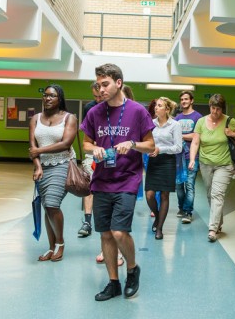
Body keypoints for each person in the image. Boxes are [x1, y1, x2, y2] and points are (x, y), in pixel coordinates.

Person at [81, 63, 155, 301]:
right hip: (102, 180)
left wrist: (132, 144)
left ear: (118, 83)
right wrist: (97, 150)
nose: (100, 89)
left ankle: (132, 269)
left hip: (127, 179)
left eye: (105, 84)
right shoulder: (94, 112)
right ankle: (113, 282)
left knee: (119, 231)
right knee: (105, 234)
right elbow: (86, 144)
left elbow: (151, 145)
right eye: (98, 84)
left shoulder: (137, 111)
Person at [29, 84, 77, 262]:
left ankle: (61, 243)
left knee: (51, 203)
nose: (47, 98)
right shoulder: (35, 118)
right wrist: (38, 166)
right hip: (43, 167)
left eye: (52, 96)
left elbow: (65, 143)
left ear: (60, 99)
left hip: (63, 164)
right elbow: (33, 147)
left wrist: (40, 152)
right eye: (45, 95)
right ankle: (51, 247)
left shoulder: (69, 118)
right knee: (46, 208)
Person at [188, 94, 235, 242]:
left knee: (217, 194)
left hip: (224, 165)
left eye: (218, 109)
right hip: (206, 163)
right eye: (213, 108)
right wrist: (193, 159)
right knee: (210, 195)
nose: (215, 112)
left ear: (222, 109)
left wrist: (232, 133)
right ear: (210, 107)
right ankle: (218, 222)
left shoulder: (229, 121)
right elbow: (195, 142)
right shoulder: (201, 122)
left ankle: (212, 228)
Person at [145, 97, 182, 240]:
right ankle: (157, 216)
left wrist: (161, 149)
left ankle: (159, 227)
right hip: (153, 161)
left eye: (159, 106)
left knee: (164, 195)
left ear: (167, 110)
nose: (156, 107)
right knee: (150, 194)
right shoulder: (150, 124)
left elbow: (178, 148)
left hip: (167, 162)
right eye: (156, 105)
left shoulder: (175, 125)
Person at [174, 90, 203, 224]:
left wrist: (182, 136)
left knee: (189, 185)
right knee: (179, 185)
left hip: (192, 156)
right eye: (182, 99)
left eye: (186, 99)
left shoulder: (198, 117)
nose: (184, 101)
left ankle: (188, 212)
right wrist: (188, 136)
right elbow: (172, 135)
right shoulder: (177, 118)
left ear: (191, 100)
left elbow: (197, 136)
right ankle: (181, 207)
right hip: (178, 157)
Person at [78, 82, 101, 238]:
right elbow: (87, 136)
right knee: (89, 185)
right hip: (92, 153)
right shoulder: (90, 108)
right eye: (95, 96)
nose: (98, 99)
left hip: (111, 154)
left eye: (101, 96)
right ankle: (87, 222)